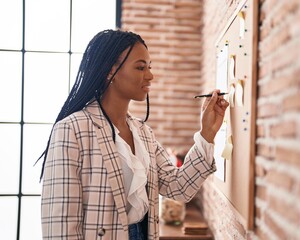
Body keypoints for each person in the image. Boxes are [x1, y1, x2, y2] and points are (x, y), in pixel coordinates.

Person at [39, 29, 229, 240]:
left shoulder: (143, 132)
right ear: (110, 71)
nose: (150, 75)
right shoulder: (72, 130)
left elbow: (179, 188)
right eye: (140, 67)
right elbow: (60, 228)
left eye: (149, 67)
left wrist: (207, 133)